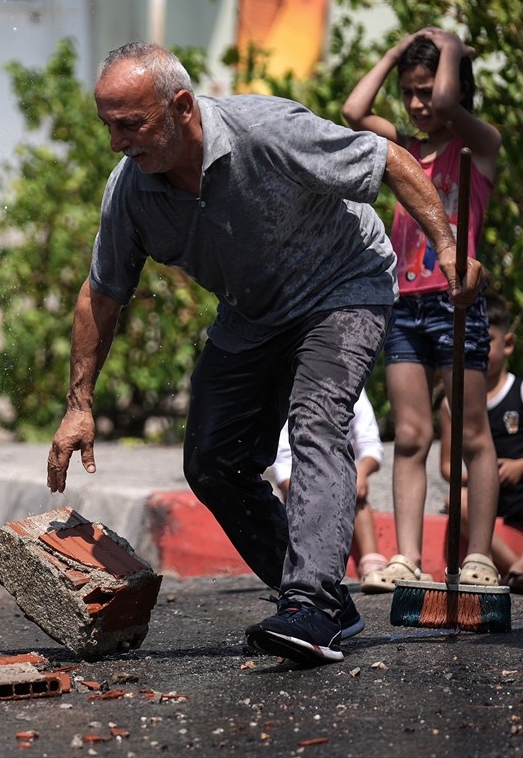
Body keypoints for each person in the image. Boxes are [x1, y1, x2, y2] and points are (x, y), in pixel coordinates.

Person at [46, 42, 484, 666]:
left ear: (181, 107)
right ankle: (319, 600)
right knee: (211, 461)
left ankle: (312, 603)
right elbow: (102, 294)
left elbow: (387, 157)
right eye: (108, 125)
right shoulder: (133, 192)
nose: (117, 142)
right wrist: (79, 404)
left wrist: (445, 249)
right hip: (253, 315)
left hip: (342, 286)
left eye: (131, 125)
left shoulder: (266, 131)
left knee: (318, 418)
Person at [342, 27, 503, 594]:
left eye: (425, 90)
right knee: (410, 436)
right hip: (404, 306)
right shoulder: (401, 150)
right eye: (408, 91)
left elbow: (445, 105)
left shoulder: (478, 146)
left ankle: (480, 555)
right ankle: (407, 557)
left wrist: (455, 47)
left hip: (456, 301)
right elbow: (353, 110)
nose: (417, 104)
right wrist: (391, 53)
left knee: (470, 433)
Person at [438, 292, 523, 594]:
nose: (475, 350)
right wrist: (482, 477)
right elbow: (446, 466)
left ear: (507, 344)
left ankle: (520, 568)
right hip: (486, 496)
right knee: (456, 504)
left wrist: (521, 467)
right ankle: (516, 571)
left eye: (485, 342)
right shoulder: (450, 404)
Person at [270, 389, 389, 590]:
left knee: (355, 495)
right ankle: (301, 568)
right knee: (302, 506)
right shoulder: (291, 392)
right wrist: (303, 489)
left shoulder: (353, 389)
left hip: (343, 479)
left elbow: (370, 444)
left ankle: (371, 566)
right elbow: (282, 461)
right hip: (303, 484)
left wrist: (360, 473)